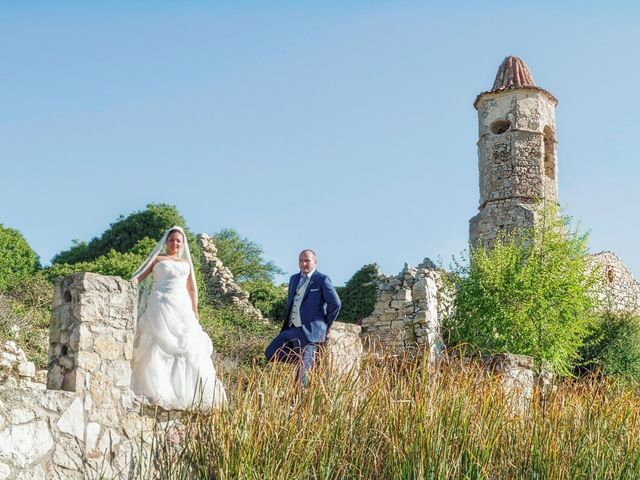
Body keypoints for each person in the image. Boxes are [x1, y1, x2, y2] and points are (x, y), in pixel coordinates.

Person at [130, 226, 226, 410]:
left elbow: (191, 288)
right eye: (172, 240)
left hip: (181, 307)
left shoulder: (185, 263)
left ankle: (188, 395)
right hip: (160, 304)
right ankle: (155, 390)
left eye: (178, 241)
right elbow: (139, 278)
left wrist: (194, 310)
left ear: (182, 244)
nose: (175, 243)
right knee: (158, 344)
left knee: (187, 347)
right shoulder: (157, 259)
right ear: (166, 242)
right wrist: (129, 283)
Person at [265, 249, 341, 386]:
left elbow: (335, 304)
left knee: (303, 374)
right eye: (301, 261)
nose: (304, 264)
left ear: (315, 262)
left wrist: (325, 325)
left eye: (307, 261)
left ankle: (298, 402)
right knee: (271, 352)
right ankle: (303, 360)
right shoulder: (294, 279)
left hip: (311, 332)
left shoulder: (322, 279)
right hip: (291, 329)